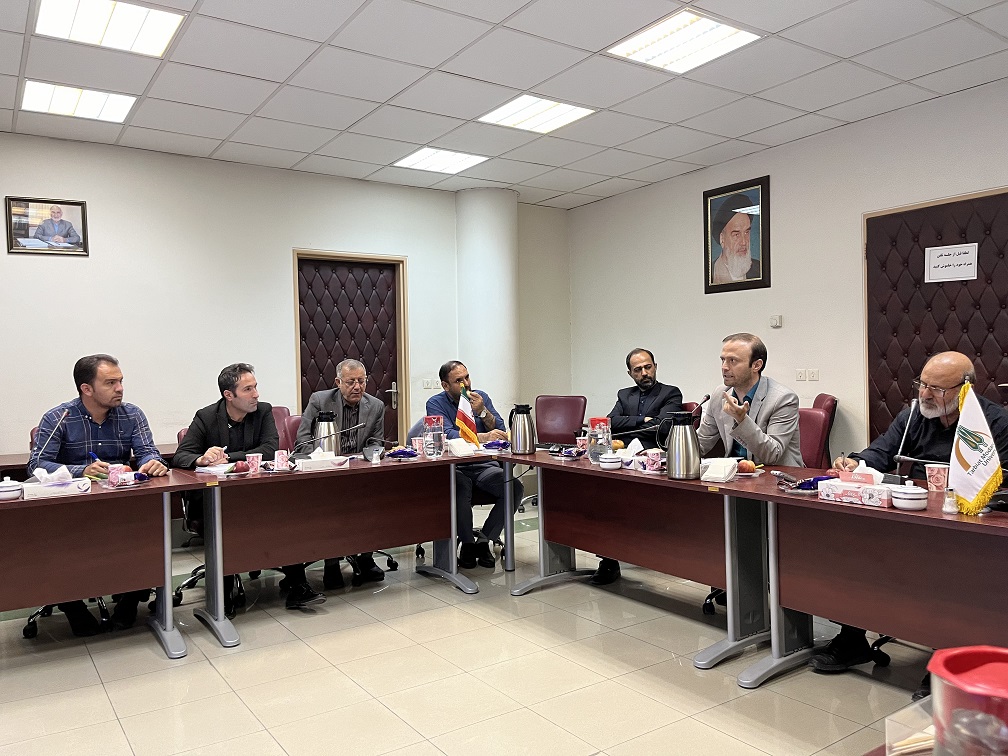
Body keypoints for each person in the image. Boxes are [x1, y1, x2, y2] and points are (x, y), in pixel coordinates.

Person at [818, 352, 1008, 699]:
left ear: (965, 388)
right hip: (914, 515)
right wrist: (856, 462)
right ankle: (853, 638)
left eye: (937, 389)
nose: (925, 394)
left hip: (967, 525)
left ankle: (947, 659)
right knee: (856, 549)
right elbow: (880, 452)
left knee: (954, 571)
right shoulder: (914, 415)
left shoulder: (994, 422)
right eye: (922, 384)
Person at [28, 354, 168, 635]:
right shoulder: (59, 417)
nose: (120, 388)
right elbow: (37, 464)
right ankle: (73, 607)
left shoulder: (132, 414)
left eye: (120, 381)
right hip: (72, 509)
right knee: (57, 543)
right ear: (86, 389)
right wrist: (81, 470)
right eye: (110, 383)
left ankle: (130, 601)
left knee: (151, 531)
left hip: (120, 504)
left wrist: (152, 462)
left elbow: (147, 452)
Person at [173, 363, 324, 611]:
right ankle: (223, 596)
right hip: (217, 499)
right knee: (226, 521)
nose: (256, 394)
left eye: (255, 387)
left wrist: (229, 458)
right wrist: (201, 459)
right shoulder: (206, 416)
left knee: (286, 514)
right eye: (248, 389)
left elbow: (270, 449)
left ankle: (298, 587)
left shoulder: (262, 411)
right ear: (228, 395)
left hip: (257, 495)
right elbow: (181, 455)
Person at [590, 348, 684, 585]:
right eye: (638, 369)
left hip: (652, 461)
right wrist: (643, 420)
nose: (644, 373)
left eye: (648, 367)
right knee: (600, 495)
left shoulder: (671, 393)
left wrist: (630, 425)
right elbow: (610, 423)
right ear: (630, 373)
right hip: (622, 458)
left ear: (655, 366)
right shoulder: (624, 395)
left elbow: (662, 427)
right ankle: (609, 560)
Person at [296, 358, 386, 588]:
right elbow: (303, 441)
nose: (357, 387)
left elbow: (376, 443)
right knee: (332, 502)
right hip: (326, 472)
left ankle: (365, 558)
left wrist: (367, 458)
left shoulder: (375, 405)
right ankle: (331, 562)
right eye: (350, 382)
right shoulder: (319, 400)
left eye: (361, 381)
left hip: (358, 472)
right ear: (338, 382)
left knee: (378, 497)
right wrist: (325, 459)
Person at [427, 360, 523, 569]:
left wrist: (483, 412)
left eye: (467, 377)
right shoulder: (435, 403)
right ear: (445, 385)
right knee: (460, 487)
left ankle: (484, 540)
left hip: (483, 465)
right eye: (458, 381)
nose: (466, 384)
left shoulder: (481, 397)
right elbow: (448, 434)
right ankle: (467, 543)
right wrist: (484, 437)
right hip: (455, 466)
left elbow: (501, 430)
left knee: (514, 487)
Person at [697, 332, 802, 467]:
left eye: (733, 361)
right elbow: (701, 443)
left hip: (777, 476)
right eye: (723, 360)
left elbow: (772, 455)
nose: (724, 367)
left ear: (756, 365)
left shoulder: (783, 399)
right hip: (735, 474)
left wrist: (742, 420)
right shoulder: (720, 394)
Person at [711, 193, 758, 285]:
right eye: (736, 235)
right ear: (722, 239)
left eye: (746, 232)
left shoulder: (759, 269)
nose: (744, 242)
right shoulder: (711, 272)